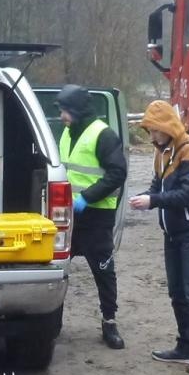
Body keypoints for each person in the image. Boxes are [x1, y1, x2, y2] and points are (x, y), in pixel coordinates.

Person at [130, 101, 189, 375]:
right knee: (176, 292)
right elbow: (159, 185)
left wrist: (152, 200)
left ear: (167, 127)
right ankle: (185, 345)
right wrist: (146, 196)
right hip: (173, 234)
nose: (151, 136)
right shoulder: (162, 153)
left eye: (154, 130)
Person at [57, 85, 126, 349]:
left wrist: (87, 197)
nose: (62, 115)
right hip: (68, 215)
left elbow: (117, 172)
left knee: (103, 270)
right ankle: (54, 320)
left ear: (78, 110)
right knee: (58, 269)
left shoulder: (103, 135)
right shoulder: (66, 133)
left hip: (96, 215)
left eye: (65, 110)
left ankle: (109, 323)